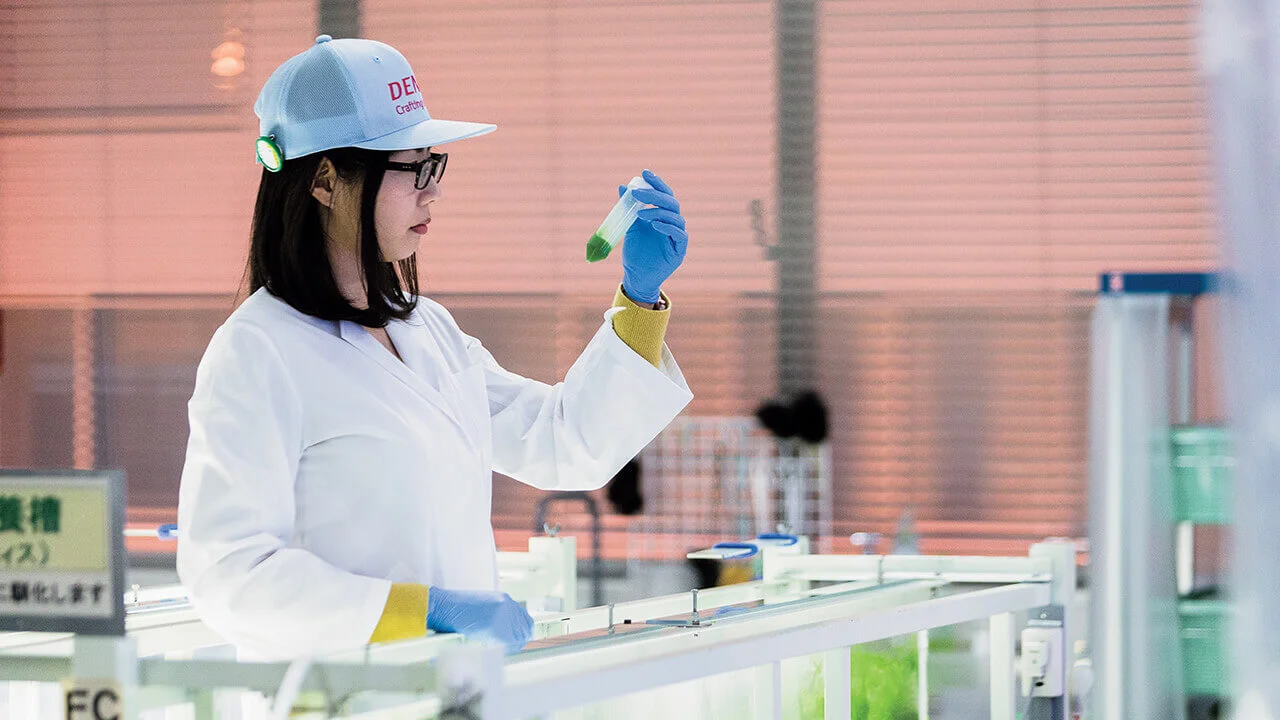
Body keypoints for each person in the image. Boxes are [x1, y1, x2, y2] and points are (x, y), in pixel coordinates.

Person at [175, 35, 693, 660]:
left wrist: (639, 299)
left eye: (434, 164)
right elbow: (229, 573)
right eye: (412, 168)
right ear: (326, 180)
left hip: (452, 687)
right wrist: (421, 611)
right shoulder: (258, 352)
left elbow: (562, 442)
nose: (433, 191)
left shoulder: (427, 330)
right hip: (347, 694)